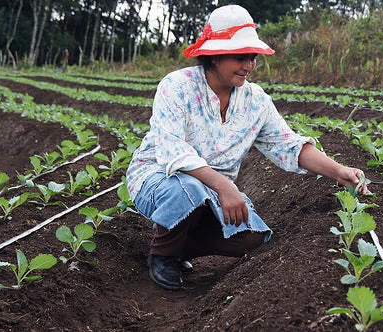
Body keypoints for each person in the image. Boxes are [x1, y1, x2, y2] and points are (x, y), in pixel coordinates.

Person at [126, 4, 370, 290]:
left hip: (212, 192)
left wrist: (339, 171)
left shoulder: (255, 101)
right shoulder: (177, 86)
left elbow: (288, 144)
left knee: (253, 235)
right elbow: (172, 150)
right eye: (240, 56)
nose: (249, 65)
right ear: (214, 56)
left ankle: (180, 245)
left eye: (252, 57)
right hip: (158, 179)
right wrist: (224, 186)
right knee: (187, 190)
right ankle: (163, 253)